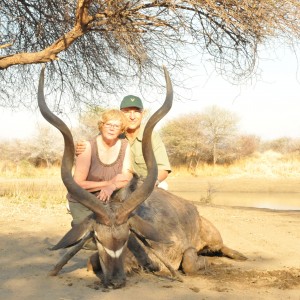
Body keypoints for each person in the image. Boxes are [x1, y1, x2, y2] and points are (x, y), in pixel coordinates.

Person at [76, 95, 171, 188]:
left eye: (137, 112)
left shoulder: (152, 136)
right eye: (127, 112)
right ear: (120, 113)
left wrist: (152, 182)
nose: (132, 116)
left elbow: (163, 169)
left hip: (146, 184)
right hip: (119, 185)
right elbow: (93, 147)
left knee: (163, 188)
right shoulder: (112, 133)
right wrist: (82, 147)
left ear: (143, 113)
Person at [68, 109, 133, 226]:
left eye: (116, 126)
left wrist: (112, 187)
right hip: (83, 200)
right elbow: (78, 184)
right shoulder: (87, 146)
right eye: (108, 124)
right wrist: (108, 183)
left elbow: (127, 177)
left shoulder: (125, 145)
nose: (112, 128)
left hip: (110, 199)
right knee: (87, 235)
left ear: (121, 130)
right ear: (101, 126)